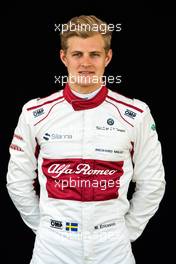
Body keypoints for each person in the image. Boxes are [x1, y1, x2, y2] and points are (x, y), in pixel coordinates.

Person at [6, 15, 165, 264]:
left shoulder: (136, 114)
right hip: (52, 248)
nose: (86, 64)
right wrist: (46, 229)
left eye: (94, 54)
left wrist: (125, 233)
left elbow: (153, 182)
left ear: (108, 57)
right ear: (64, 57)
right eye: (77, 54)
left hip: (113, 248)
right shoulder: (33, 113)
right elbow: (17, 181)